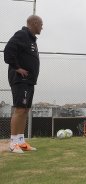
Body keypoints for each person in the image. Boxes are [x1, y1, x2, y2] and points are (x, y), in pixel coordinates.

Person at [4, 15, 43, 153]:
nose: (42, 27)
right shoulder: (22, 34)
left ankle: (21, 142)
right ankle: (13, 143)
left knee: (25, 110)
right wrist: (17, 68)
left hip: (29, 82)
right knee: (19, 110)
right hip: (21, 80)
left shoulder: (32, 40)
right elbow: (8, 51)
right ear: (34, 23)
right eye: (41, 24)